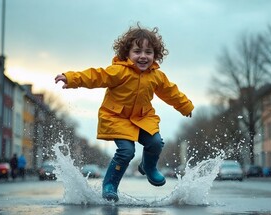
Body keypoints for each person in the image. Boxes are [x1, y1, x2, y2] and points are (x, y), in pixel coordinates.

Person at [54, 23, 194, 202]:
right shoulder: (119, 71)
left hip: (142, 117)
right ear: (127, 53)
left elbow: (170, 92)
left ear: (155, 55)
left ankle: (149, 167)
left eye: (148, 52)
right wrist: (71, 78)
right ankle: (110, 184)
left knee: (156, 142)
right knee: (126, 151)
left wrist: (185, 105)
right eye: (137, 51)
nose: (143, 56)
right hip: (117, 117)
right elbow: (96, 76)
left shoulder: (157, 76)